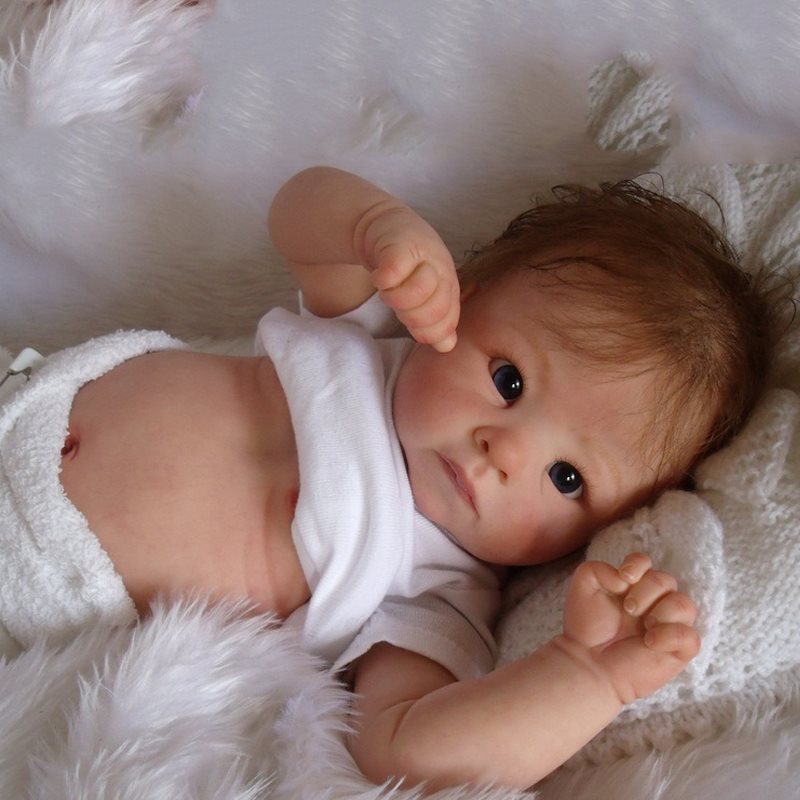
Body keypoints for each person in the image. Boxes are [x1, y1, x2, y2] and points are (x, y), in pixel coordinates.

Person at [0, 166, 776, 791]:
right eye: (508, 381)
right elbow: (298, 216)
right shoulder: (377, 336)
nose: (505, 452)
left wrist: (585, 676)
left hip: (36, 581)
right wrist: (377, 228)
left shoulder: (435, 589)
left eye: (568, 477)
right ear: (465, 300)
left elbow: (403, 751)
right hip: (29, 394)